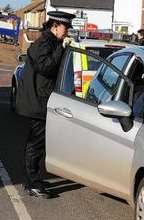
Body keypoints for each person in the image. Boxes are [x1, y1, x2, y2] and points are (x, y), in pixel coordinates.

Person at [16, 11, 75, 199]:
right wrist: (61, 49)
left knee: (39, 143)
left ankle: (34, 179)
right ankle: (32, 182)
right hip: (38, 102)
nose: (66, 32)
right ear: (55, 25)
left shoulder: (51, 42)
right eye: (65, 28)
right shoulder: (44, 43)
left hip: (42, 100)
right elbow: (47, 67)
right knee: (35, 143)